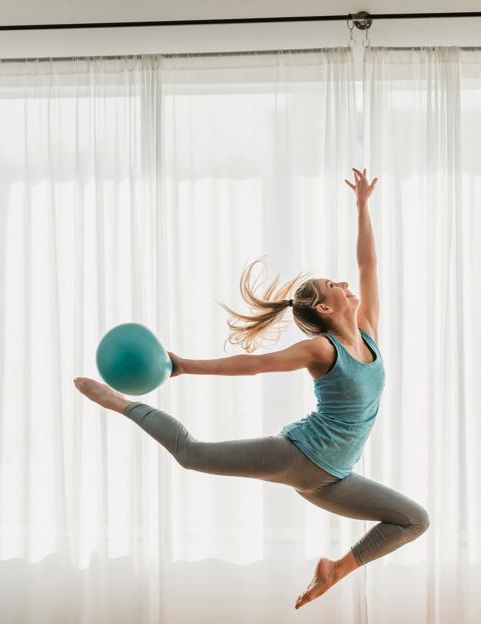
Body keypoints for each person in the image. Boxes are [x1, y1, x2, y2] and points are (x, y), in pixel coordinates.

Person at [74, 168, 429, 610]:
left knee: (414, 520)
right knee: (191, 454)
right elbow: (255, 365)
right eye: (332, 285)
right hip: (299, 456)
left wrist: (362, 207)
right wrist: (185, 366)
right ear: (324, 306)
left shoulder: (368, 332)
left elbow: (368, 265)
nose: (343, 283)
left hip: (334, 479)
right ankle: (121, 404)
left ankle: (335, 570)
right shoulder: (322, 349)